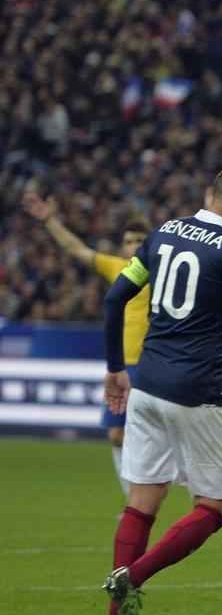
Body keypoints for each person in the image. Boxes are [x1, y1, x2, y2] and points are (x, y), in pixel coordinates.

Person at [99, 162, 222, 615]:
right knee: (216, 507)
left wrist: (115, 368)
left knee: (142, 502)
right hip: (198, 392)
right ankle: (133, 576)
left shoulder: (162, 234)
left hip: (146, 385)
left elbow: (115, 298)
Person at [22, 191, 149, 501]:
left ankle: (161, 486)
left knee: (152, 433)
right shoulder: (117, 268)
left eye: (139, 241)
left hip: (151, 365)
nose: (133, 245)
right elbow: (76, 249)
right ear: (122, 246)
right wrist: (50, 221)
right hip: (121, 365)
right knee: (116, 435)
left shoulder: (162, 272)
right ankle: (132, 501)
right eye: (129, 241)